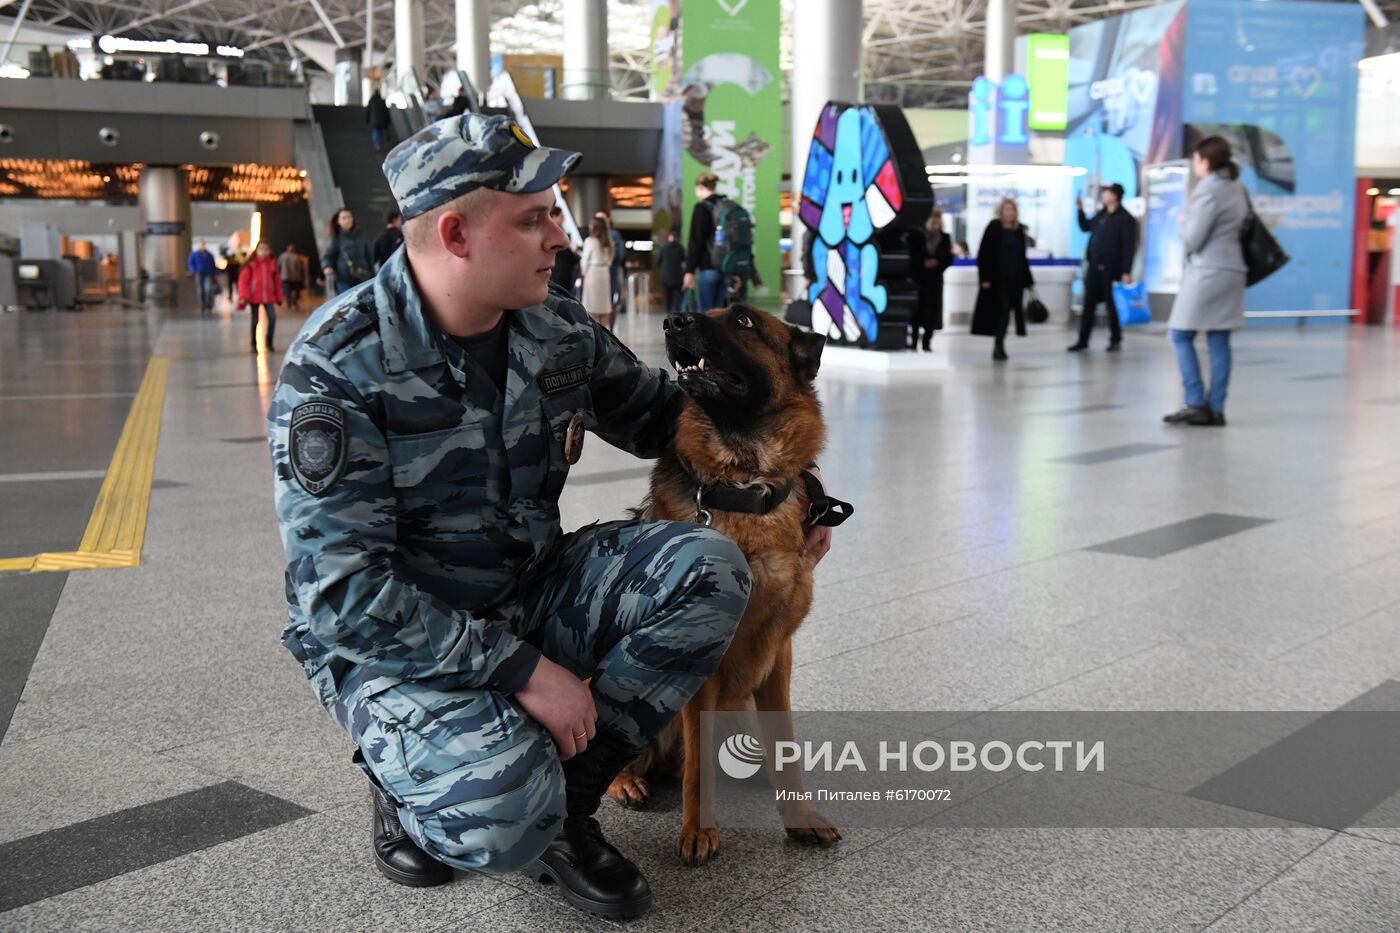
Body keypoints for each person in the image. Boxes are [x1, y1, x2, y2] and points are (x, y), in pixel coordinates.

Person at [268, 112, 835, 919]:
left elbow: (670, 418)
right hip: (401, 643)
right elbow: (344, 600)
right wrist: (524, 671)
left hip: (529, 586)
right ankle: (401, 775)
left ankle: (566, 805)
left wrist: (789, 489)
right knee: (500, 808)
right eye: (534, 218)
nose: (560, 237)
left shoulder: (553, 328)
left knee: (714, 569)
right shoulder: (341, 366)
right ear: (458, 234)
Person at [1164, 136, 1249, 427]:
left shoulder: (1208, 189)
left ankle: (1196, 402)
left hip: (1208, 270)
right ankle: (1216, 408)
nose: (1196, 164)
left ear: (1207, 161)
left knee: (1179, 334)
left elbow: (1192, 239)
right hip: (1233, 270)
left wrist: (1183, 221)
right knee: (1219, 338)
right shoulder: (1236, 187)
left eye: (1197, 159)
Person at [1069, 181, 1139, 352]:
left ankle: (1115, 338)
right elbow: (1086, 227)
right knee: (1089, 304)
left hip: (1112, 269)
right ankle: (1083, 340)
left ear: (1115, 196)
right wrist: (1079, 210)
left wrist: (1126, 271)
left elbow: (1128, 247)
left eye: (1107, 192)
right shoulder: (1102, 215)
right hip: (1094, 266)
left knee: (1112, 305)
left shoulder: (1126, 219)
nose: (1103, 195)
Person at [971, 197, 1034, 362]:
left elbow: (1022, 257)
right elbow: (983, 254)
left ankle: (1000, 343)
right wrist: (984, 277)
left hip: (1015, 279)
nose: (1010, 213)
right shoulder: (994, 227)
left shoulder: (1019, 230)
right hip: (997, 279)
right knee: (1002, 311)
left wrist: (1028, 280)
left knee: (1008, 313)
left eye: (1012, 210)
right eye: (1007, 209)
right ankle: (998, 344)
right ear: (1001, 211)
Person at [907, 208, 952, 352]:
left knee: (931, 312)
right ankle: (913, 340)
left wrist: (937, 262)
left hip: (934, 280)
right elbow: (912, 256)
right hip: (919, 279)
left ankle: (927, 341)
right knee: (916, 311)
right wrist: (923, 263)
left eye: (937, 223)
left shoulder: (944, 238)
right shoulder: (916, 236)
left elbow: (947, 258)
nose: (934, 226)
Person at [683, 171, 725, 311]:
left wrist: (690, 270)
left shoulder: (701, 207)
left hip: (708, 267)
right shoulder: (726, 206)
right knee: (720, 315)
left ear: (700, 186)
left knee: (705, 315)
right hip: (727, 268)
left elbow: (696, 240)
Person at [237, 240, 282, 352]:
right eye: (261, 249)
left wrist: (279, 296)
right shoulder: (251, 265)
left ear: (269, 251)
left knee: (272, 318)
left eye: (266, 249)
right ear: (256, 250)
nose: (263, 252)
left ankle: (269, 342)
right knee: (255, 320)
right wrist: (243, 297)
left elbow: (277, 282)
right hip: (254, 297)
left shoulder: (272, 265)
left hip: (269, 297)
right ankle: (253, 344)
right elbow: (243, 282)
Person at [321, 208, 375, 295]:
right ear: (338, 221)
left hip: (363, 276)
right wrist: (327, 266)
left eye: (349, 217)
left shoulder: (362, 235)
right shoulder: (336, 238)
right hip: (343, 280)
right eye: (344, 218)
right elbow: (328, 256)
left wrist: (373, 275)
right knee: (348, 305)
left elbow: (369, 256)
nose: (347, 220)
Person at [581, 216, 615, 330]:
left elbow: (584, 261)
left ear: (595, 228)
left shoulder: (590, 241)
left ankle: (595, 333)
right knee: (604, 305)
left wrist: (583, 273)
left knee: (591, 306)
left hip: (593, 272)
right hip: (605, 273)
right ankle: (605, 331)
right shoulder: (609, 242)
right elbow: (610, 261)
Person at [548, 205, 581, 296]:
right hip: (559, 267)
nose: (564, 219)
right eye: (561, 216)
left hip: (564, 267)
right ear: (553, 216)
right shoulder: (552, 231)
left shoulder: (560, 230)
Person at [657, 228, 686, 315]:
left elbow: (658, 261)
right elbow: (684, 260)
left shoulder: (664, 247)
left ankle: (668, 311)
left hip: (666, 276)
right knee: (678, 296)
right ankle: (678, 311)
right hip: (677, 276)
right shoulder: (680, 248)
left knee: (668, 295)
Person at [187, 239, 218, 314]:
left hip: (208, 273)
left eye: (203, 244)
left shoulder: (209, 255)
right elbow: (190, 263)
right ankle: (202, 305)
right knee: (200, 290)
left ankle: (208, 304)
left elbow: (213, 265)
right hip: (199, 273)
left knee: (208, 289)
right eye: (201, 244)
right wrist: (193, 270)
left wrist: (215, 274)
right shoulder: (194, 254)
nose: (202, 246)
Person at [278, 243, 305, 308]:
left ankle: (289, 303)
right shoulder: (296, 256)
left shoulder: (282, 256)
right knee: (296, 290)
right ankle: (294, 302)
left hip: (285, 276)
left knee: (287, 291)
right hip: (295, 277)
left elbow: (278, 264)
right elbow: (299, 267)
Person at [366, 87, 392, 153]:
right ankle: (379, 144)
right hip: (381, 121)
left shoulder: (371, 101)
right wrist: (388, 122)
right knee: (379, 132)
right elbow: (386, 112)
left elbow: (368, 111)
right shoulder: (382, 101)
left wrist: (368, 120)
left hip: (373, 120)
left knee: (375, 132)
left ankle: (377, 145)